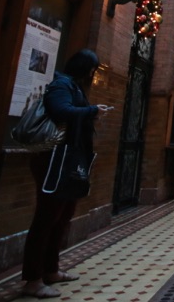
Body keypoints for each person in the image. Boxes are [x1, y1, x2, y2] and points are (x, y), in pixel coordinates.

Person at [21, 49, 112, 299]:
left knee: (63, 215)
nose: (94, 76)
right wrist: (92, 111)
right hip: (53, 159)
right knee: (46, 217)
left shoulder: (74, 86)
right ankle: (32, 280)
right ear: (86, 69)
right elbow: (60, 111)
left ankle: (51, 270)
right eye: (93, 71)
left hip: (68, 160)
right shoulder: (61, 85)